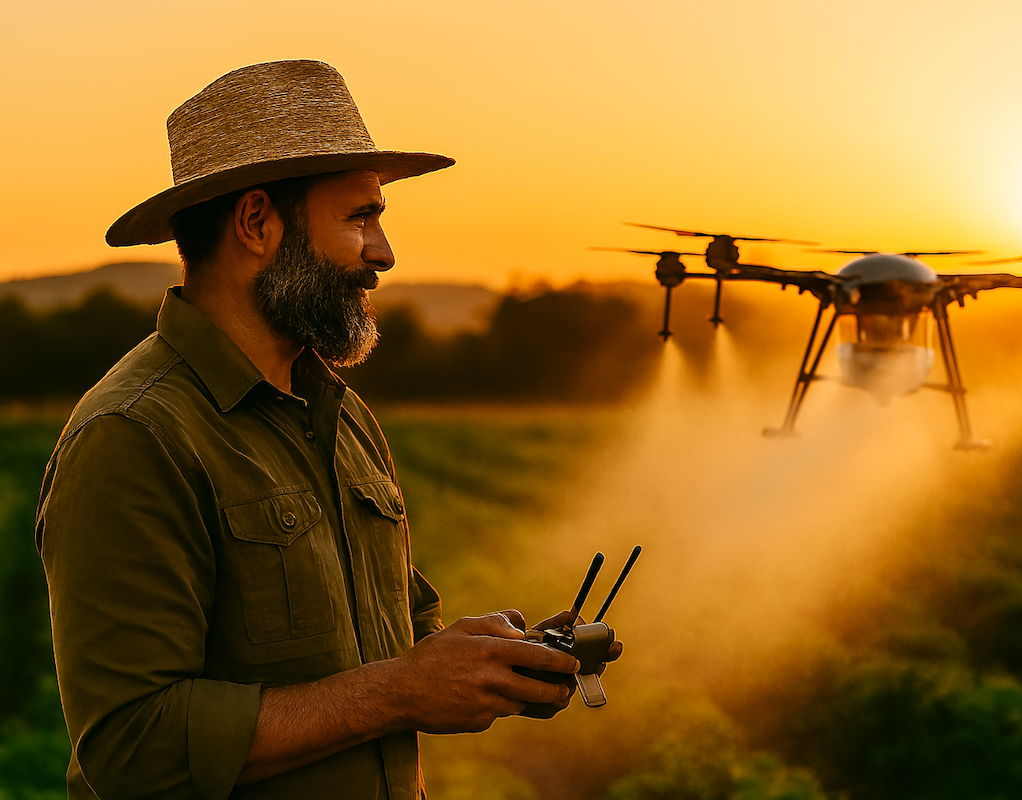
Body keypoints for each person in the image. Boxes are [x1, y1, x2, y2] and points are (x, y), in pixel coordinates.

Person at [36, 59, 614, 800]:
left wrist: (491, 662)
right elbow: (131, 748)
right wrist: (401, 692)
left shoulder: (341, 415)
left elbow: (387, 647)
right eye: (359, 218)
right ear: (256, 223)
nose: (384, 253)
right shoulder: (133, 434)